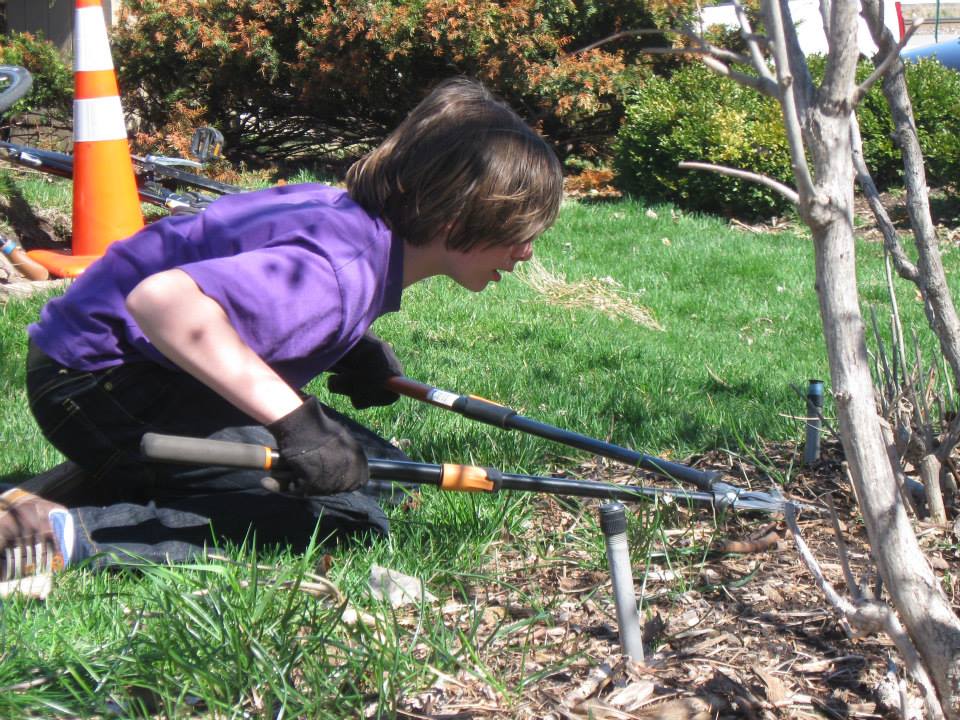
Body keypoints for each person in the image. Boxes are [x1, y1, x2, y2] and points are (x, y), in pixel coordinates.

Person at [0, 77, 563, 581]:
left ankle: (98, 477)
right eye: (518, 231)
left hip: (113, 370)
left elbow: (245, 285)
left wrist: (351, 348)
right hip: (96, 383)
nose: (526, 252)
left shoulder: (349, 224)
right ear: (457, 216)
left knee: (379, 475)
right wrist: (294, 422)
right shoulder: (336, 274)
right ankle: (52, 535)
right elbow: (164, 301)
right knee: (343, 517)